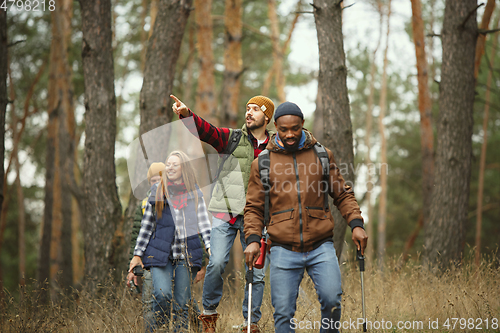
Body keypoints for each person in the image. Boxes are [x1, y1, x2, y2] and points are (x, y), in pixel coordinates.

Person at [244, 102, 368, 333]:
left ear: (302, 125)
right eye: (283, 129)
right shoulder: (262, 163)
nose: (289, 134)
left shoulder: (321, 155)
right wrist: (252, 239)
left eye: (295, 128)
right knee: (282, 313)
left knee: (332, 302)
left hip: (321, 246)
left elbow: (342, 193)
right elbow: (253, 208)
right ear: (275, 127)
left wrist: (356, 224)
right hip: (282, 248)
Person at [171, 94, 275, 333]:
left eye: (255, 109)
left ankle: (251, 323)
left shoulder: (275, 146)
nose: (248, 112)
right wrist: (187, 115)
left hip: (259, 217)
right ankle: (208, 315)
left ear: (267, 117)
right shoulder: (233, 138)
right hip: (225, 212)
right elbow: (206, 131)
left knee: (257, 273)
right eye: (247, 108)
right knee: (217, 262)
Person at [128, 151, 212, 332]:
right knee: (162, 294)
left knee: (182, 304)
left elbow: (204, 223)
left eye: (175, 164)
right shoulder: (157, 191)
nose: (170, 167)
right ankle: (161, 329)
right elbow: (146, 226)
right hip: (160, 253)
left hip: (186, 255)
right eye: (168, 164)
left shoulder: (195, 192)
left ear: (184, 168)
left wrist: (210, 246)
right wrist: (137, 254)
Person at [127, 162, 165, 331]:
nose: (156, 183)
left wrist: (200, 261)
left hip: (171, 259)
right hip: (148, 259)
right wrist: (133, 265)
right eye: (153, 180)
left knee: (178, 299)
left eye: (159, 179)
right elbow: (137, 235)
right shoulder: (143, 205)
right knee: (148, 302)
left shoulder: (175, 200)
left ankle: (197, 324)